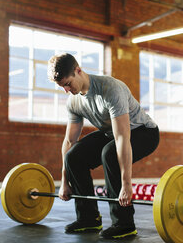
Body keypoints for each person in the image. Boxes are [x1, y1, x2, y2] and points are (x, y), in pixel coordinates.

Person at [47, 53, 159, 239]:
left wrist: (126, 184)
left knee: (110, 153)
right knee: (74, 156)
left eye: (68, 84)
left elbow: (122, 137)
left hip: (144, 132)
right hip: (112, 132)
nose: (66, 90)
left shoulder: (109, 88)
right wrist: (64, 182)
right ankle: (88, 219)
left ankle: (124, 224)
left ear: (78, 70)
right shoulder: (73, 101)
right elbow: (69, 141)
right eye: (62, 87)